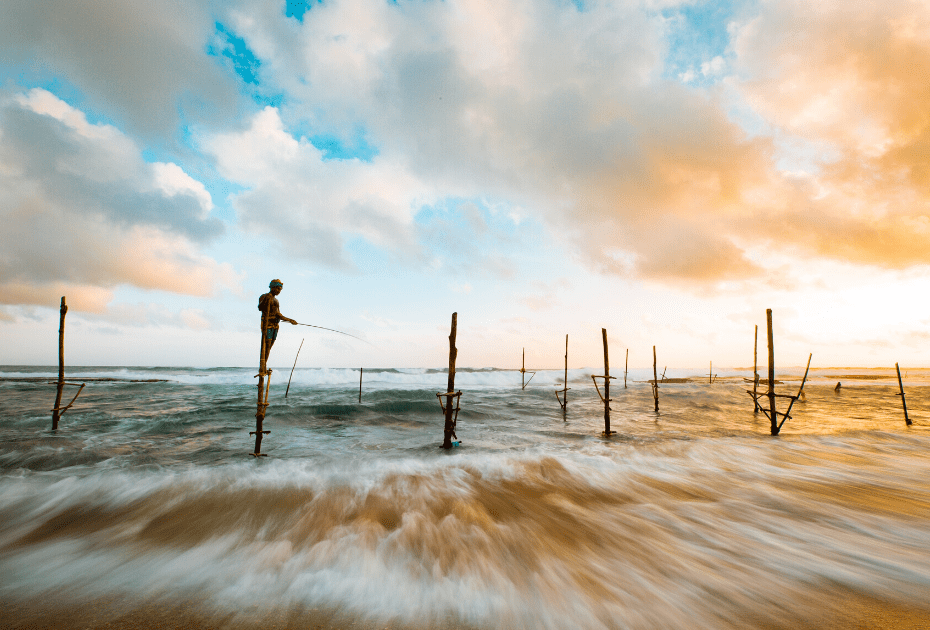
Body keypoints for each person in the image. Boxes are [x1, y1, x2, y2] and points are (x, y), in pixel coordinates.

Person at [258, 279, 297, 363]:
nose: (279, 291)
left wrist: (290, 320)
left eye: (280, 289)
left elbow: (278, 314)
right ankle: (262, 365)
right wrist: (266, 299)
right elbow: (260, 308)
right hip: (267, 324)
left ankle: (265, 363)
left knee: (269, 346)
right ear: (273, 287)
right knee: (266, 345)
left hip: (275, 325)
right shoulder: (264, 296)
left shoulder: (276, 301)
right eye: (278, 289)